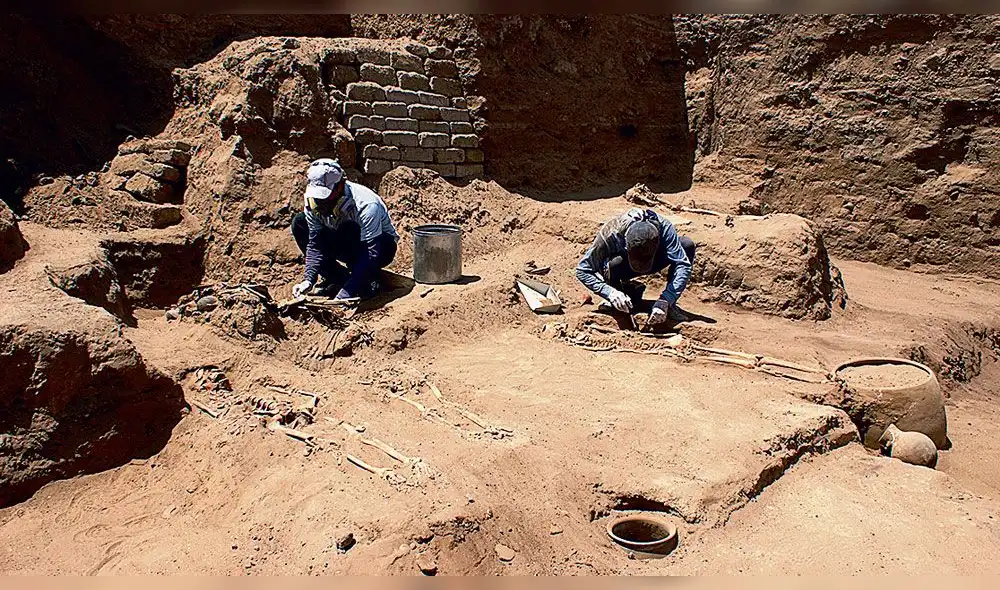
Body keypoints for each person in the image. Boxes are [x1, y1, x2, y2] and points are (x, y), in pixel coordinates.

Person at [290, 158, 399, 300]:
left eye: (326, 195)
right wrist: (308, 280)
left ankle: (363, 279)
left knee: (348, 227)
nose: (320, 202)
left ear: (340, 186)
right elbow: (315, 244)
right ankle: (338, 278)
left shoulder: (366, 204)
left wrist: (347, 292)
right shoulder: (313, 202)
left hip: (379, 247)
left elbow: (372, 252)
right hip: (344, 242)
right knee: (300, 223)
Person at [575, 207, 696, 328]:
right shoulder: (611, 233)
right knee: (613, 264)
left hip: (656, 260)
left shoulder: (664, 228)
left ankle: (669, 306)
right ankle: (620, 298)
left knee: (686, 245)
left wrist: (667, 299)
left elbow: (683, 264)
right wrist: (609, 292)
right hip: (623, 265)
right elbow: (583, 270)